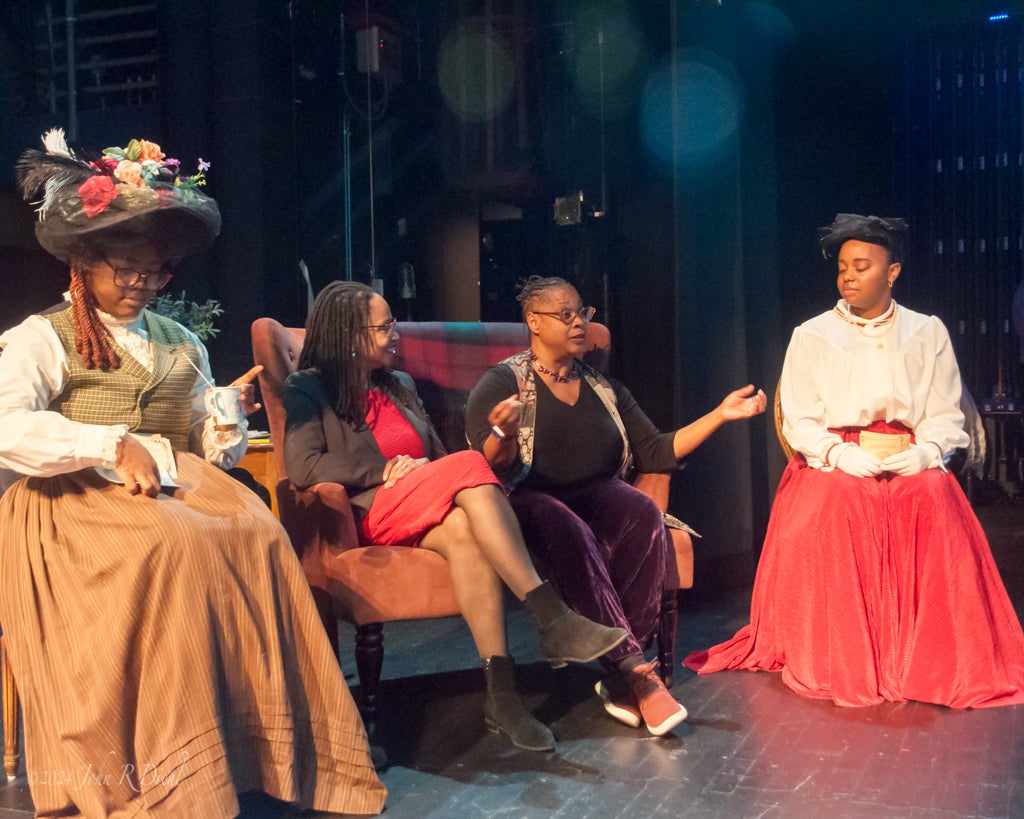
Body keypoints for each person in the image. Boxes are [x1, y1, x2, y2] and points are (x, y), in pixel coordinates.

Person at [0, 130, 387, 817]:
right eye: (125, 269)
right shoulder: (42, 337)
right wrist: (109, 444)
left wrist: (225, 417)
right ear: (84, 262)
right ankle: (173, 774)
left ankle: (261, 752)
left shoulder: (181, 342)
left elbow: (213, 452)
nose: (141, 283)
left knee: (261, 533)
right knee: (170, 547)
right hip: (71, 503)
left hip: (172, 486)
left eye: (155, 271)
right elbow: (7, 425)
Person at [685, 213, 1024, 708]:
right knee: (844, 498)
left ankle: (929, 658)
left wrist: (928, 451)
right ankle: (848, 656)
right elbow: (798, 418)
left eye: (862, 266)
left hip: (908, 450)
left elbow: (945, 412)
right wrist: (838, 452)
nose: (848, 276)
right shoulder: (813, 335)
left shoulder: (926, 332)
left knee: (933, 493)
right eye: (843, 266)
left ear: (892, 272)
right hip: (834, 458)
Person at [281, 280, 628, 753]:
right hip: (367, 511)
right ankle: (550, 615)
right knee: (472, 463)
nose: (395, 334)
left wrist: (434, 473)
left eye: (394, 324)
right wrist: (383, 470)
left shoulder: (399, 385)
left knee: (466, 527)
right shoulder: (308, 388)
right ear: (348, 334)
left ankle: (501, 698)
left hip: (419, 504)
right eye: (385, 326)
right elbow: (302, 466)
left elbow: (437, 455)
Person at [464, 275, 767, 736]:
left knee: (644, 513)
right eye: (565, 315)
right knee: (568, 525)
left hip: (595, 496)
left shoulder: (605, 388)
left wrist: (720, 415)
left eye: (582, 313)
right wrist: (503, 432)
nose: (579, 323)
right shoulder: (503, 382)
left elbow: (656, 450)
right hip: (529, 503)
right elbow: (486, 467)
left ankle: (621, 677)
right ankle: (638, 673)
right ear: (534, 322)